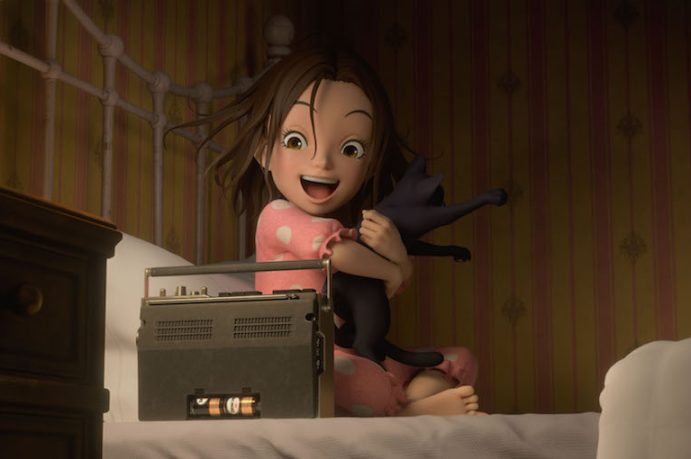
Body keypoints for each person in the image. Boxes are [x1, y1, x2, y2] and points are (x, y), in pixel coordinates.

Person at [198, 44, 480, 416]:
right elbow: (335, 253)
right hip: (305, 356)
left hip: (355, 353)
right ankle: (409, 412)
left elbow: (379, 294)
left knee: (459, 359)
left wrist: (396, 257)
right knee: (350, 379)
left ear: (369, 163)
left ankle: (414, 402)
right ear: (263, 151)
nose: (322, 162)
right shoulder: (276, 217)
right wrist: (393, 267)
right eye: (296, 141)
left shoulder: (350, 231)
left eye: (350, 149)